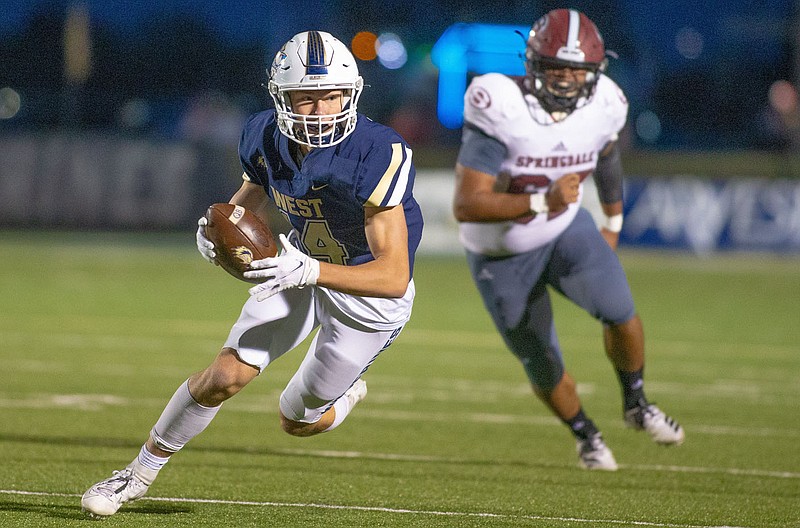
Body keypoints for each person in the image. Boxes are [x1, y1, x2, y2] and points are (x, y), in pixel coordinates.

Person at [81, 30, 423, 517]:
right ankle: (135, 476)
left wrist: (308, 269)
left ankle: (345, 397)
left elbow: (392, 276)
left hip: (366, 293)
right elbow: (245, 202)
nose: (321, 111)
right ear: (282, 98)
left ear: (351, 95)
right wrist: (213, 226)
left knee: (296, 420)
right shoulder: (264, 135)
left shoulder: (377, 151)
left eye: (332, 97)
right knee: (222, 376)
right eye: (306, 99)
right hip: (295, 265)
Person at [452, 9, 684, 471]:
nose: (564, 80)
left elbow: (607, 156)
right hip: (500, 250)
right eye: (556, 67)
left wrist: (613, 224)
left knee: (621, 312)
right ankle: (586, 435)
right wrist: (543, 201)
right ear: (532, 64)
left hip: (563, 231)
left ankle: (637, 402)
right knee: (541, 359)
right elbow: (468, 204)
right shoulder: (499, 103)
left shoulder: (608, 104)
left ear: (594, 72)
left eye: (576, 70)